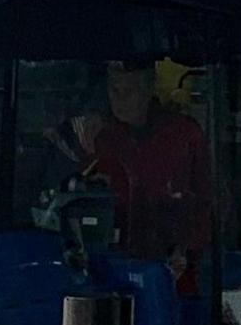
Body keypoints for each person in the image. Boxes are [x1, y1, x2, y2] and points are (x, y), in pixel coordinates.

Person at [67, 58, 215, 295]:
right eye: (114, 89)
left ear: (149, 89)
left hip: (173, 277)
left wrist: (188, 249)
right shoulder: (95, 138)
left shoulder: (184, 135)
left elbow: (211, 202)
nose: (121, 99)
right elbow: (70, 201)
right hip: (105, 276)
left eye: (131, 90)